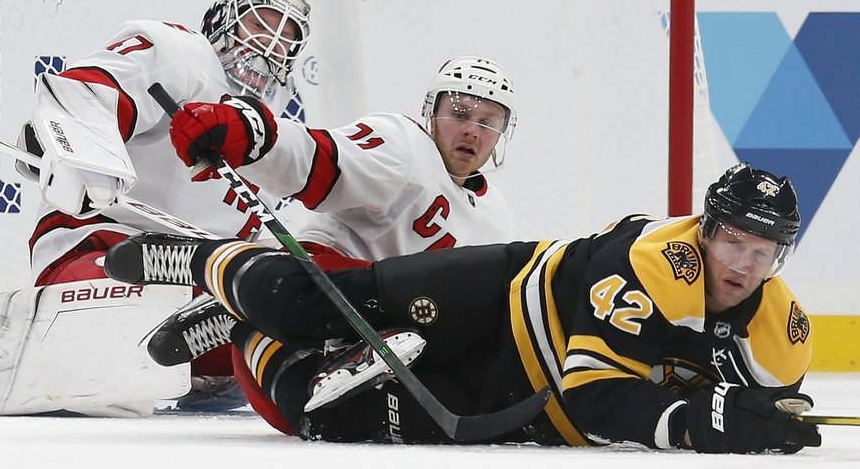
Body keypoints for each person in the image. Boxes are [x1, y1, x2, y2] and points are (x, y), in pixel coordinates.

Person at [105, 163, 823, 453]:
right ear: (705, 229)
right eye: (732, 241)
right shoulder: (651, 264)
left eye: (762, 252)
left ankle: (240, 325)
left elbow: (768, 404)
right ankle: (205, 257)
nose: (741, 264)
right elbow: (598, 397)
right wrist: (705, 422)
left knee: (315, 414)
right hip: (498, 301)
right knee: (306, 306)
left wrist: (769, 418)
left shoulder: (778, 333)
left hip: (519, 400)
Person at [0, 0, 311, 418]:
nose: (269, 45)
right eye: (261, 24)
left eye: (286, 38)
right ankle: (69, 340)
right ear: (223, 18)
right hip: (103, 243)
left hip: (197, 280)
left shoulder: (264, 128)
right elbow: (86, 92)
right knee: (117, 309)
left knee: (284, 312)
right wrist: (72, 146)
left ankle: (232, 343)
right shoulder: (179, 53)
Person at [158, 55, 518, 430]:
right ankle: (231, 284)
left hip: (386, 335)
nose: (472, 131)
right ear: (431, 112)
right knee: (285, 320)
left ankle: (238, 315)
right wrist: (252, 137)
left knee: (303, 418)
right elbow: (322, 158)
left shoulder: (496, 218)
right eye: (459, 114)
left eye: (487, 122)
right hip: (310, 291)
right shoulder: (404, 146)